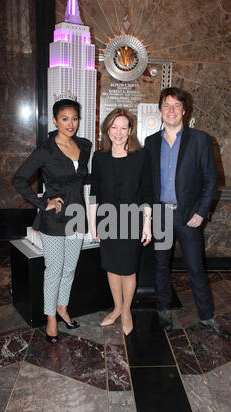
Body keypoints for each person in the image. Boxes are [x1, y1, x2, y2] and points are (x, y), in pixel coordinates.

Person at [144, 87, 230, 340]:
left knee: (195, 267)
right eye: (166, 105)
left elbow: (211, 180)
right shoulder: (150, 143)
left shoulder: (200, 140)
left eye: (176, 106)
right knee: (160, 266)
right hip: (160, 214)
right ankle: (164, 310)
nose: (171, 110)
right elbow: (147, 183)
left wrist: (201, 213)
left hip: (189, 216)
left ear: (184, 110)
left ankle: (206, 316)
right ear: (160, 110)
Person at [13, 99, 92, 344]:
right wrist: (42, 203)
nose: (71, 124)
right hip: (55, 219)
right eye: (65, 118)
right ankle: (50, 318)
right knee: (54, 270)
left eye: (75, 118)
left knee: (69, 269)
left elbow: (84, 181)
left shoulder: (85, 145)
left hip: (77, 216)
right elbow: (19, 179)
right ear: (55, 120)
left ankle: (62, 307)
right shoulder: (45, 151)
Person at [89, 108, 152, 336]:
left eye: (123, 128)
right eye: (114, 127)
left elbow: (146, 194)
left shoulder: (141, 156)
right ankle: (116, 307)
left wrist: (147, 225)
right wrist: (93, 224)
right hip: (107, 220)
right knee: (112, 268)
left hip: (132, 220)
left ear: (130, 130)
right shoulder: (99, 157)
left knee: (128, 269)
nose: (118, 132)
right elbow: (94, 193)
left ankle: (126, 310)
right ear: (107, 129)